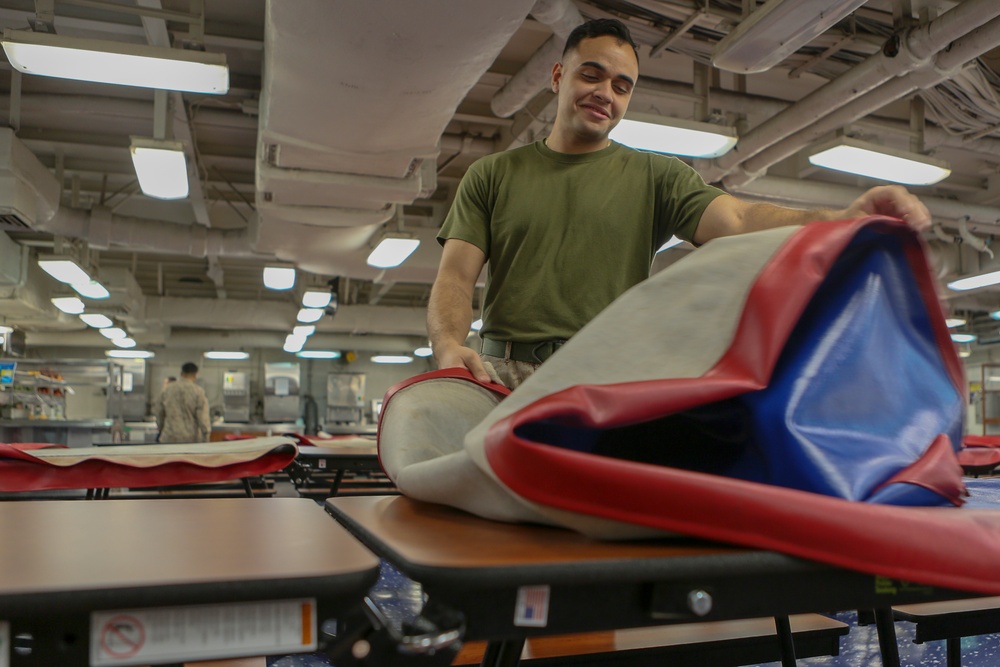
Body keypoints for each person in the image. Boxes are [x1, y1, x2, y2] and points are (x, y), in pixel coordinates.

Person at [428, 18, 932, 390]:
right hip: (499, 373)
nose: (605, 93)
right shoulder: (492, 174)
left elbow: (737, 216)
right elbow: (455, 277)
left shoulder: (656, 176)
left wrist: (837, 220)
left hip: (602, 376)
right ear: (558, 76)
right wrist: (449, 344)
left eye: (621, 86)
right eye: (592, 75)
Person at [155, 362, 211, 444]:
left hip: (169, 437)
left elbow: (159, 413)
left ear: (181, 374)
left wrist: (161, 429)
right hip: (191, 439)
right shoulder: (198, 392)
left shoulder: (167, 390)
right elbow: (203, 419)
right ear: (195, 375)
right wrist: (206, 438)